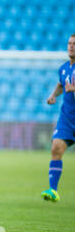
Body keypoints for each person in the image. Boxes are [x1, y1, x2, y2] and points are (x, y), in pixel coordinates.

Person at [41, 34, 75, 202]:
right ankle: (53, 190)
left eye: (74, 44)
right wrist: (53, 95)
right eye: (69, 43)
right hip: (67, 119)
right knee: (56, 148)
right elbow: (62, 84)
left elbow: (71, 87)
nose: (71, 46)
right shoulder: (63, 68)